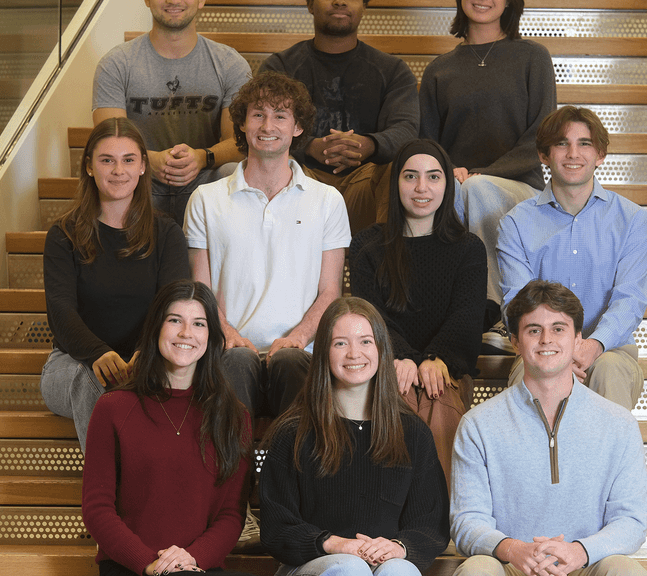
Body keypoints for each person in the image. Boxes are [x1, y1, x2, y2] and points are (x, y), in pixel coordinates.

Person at [450, 281, 647, 576]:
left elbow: (632, 521)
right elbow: (466, 522)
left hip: (585, 564)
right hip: (513, 565)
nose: (546, 340)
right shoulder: (477, 425)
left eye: (558, 329)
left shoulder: (619, 424)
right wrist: (513, 549)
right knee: (476, 569)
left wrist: (580, 551)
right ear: (516, 343)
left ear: (578, 340)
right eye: (534, 330)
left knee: (626, 570)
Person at [184, 71, 351, 418]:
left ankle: (294, 472)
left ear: (298, 127)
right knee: (237, 360)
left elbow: (330, 291)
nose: (267, 125)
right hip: (229, 351)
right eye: (257, 114)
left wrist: (298, 337)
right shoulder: (205, 199)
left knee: (291, 362)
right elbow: (201, 290)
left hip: (298, 354)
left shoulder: (328, 200)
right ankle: (233, 472)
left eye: (280, 115)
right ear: (242, 125)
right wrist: (227, 332)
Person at [260, 297, 449, 576]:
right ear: (323, 351)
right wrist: (335, 544)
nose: (354, 353)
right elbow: (276, 527)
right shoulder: (293, 431)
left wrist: (399, 547)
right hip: (313, 565)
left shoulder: (413, 433)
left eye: (365, 341)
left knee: (400, 571)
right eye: (340, 343)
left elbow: (430, 523)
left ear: (382, 349)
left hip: (385, 565)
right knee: (351, 569)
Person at [418, 0, 556, 321]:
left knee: (474, 191)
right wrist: (446, 171)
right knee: (452, 196)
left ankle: (495, 313)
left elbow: (543, 135)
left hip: (520, 188)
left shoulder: (532, 57)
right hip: (458, 186)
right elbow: (427, 143)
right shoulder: (439, 70)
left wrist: (482, 174)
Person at [82, 279, 251, 576]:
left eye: (199, 324)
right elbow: (97, 508)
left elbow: (231, 514)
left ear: (211, 336)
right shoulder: (113, 407)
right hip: (130, 567)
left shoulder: (234, 417)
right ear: (156, 328)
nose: (187, 333)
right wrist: (151, 563)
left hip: (198, 567)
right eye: (175, 320)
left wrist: (192, 559)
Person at [40, 117, 189, 451]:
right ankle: (111, 495)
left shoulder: (167, 235)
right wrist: (97, 353)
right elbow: (61, 313)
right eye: (107, 160)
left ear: (142, 168)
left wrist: (145, 351)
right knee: (92, 382)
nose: (118, 170)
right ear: (89, 167)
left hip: (148, 358)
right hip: (72, 364)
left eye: (128, 160)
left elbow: (173, 308)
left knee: (149, 385)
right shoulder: (63, 235)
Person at [348, 138, 486, 486]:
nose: (421, 187)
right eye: (410, 176)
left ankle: (435, 523)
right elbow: (369, 316)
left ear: (447, 185)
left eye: (433, 177)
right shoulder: (367, 245)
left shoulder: (468, 249)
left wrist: (435, 357)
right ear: (395, 184)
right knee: (400, 397)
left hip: (447, 368)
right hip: (386, 364)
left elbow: (467, 316)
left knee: (437, 399)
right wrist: (403, 357)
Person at [497, 106, 647, 410]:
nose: (573, 153)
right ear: (544, 155)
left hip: (610, 351)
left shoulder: (633, 220)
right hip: (538, 350)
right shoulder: (515, 223)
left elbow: (630, 299)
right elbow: (517, 303)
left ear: (600, 155)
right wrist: (555, 353)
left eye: (585, 143)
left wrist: (593, 345)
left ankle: (611, 459)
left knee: (608, 370)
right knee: (538, 378)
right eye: (562, 143)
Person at [93, 0, 251, 225]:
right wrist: (151, 160)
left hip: (205, 181)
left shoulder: (229, 63)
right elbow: (108, 140)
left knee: (233, 171)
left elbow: (239, 141)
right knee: (109, 172)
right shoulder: (116, 64)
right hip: (140, 180)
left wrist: (202, 157)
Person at [260, 0, 419, 234]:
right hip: (300, 178)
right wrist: (308, 146)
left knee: (403, 166)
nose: (340, 1)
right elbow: (262, 127)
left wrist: (367, 145)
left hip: (365, 181)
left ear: (364, 6)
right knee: (266, 161)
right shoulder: (280, 67)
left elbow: (406, 129)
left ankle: (381, 266)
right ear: (310, 4)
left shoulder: (392, 70)